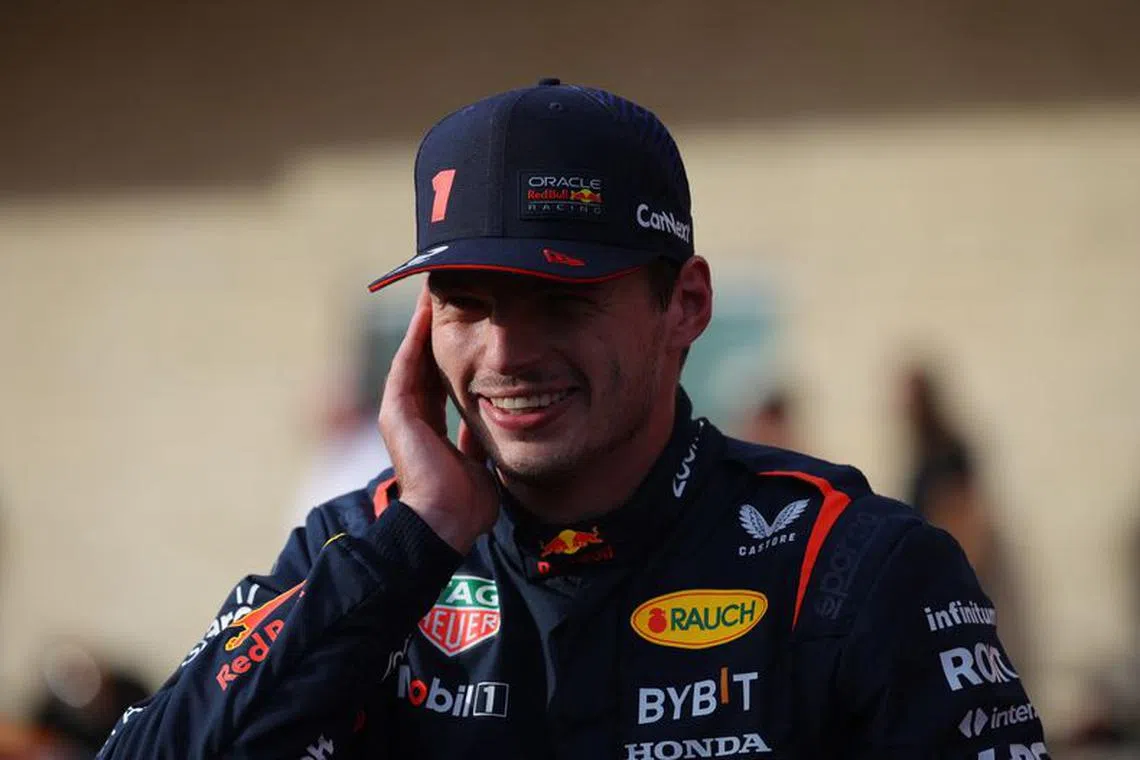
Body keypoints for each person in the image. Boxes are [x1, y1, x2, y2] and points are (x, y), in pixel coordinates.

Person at [98, 79, 1048, 759]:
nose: (506, 355)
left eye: (562, 299)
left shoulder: (851, 568)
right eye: (467, 303)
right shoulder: (362, 554)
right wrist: (411, 549)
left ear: (685, 304)